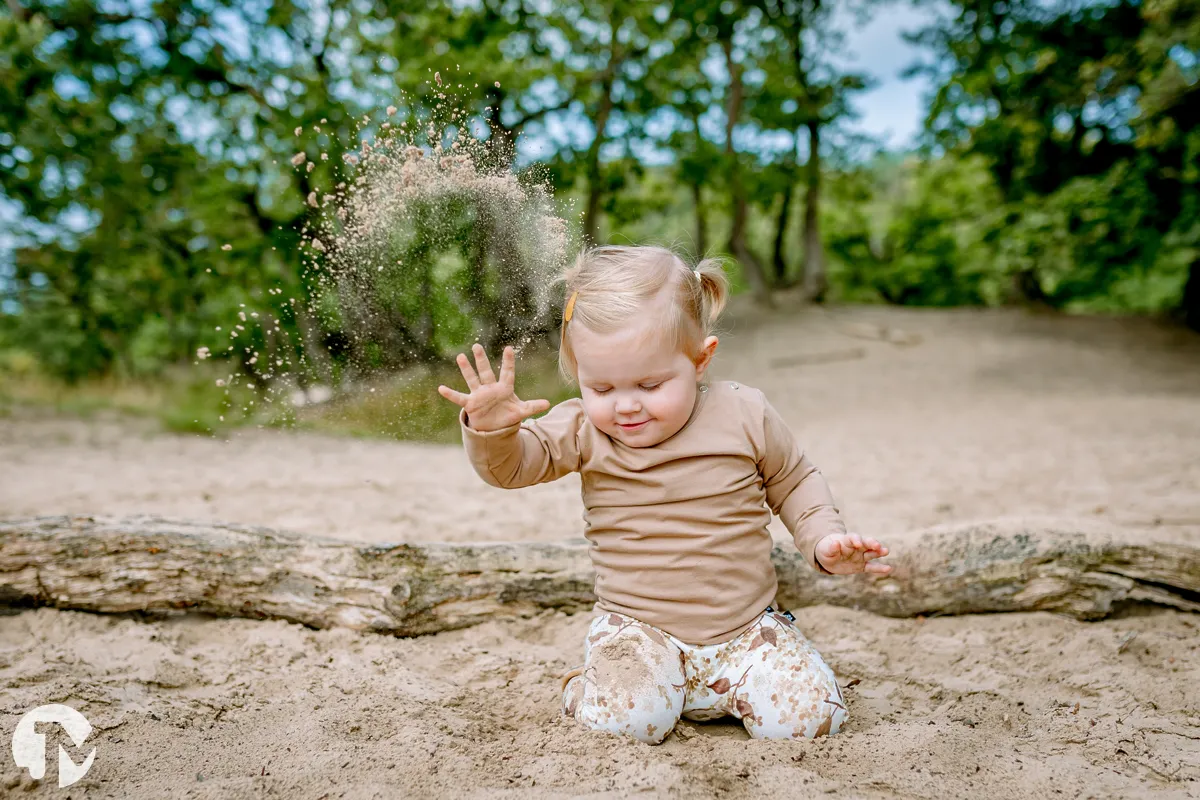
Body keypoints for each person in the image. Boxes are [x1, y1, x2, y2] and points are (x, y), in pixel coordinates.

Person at [437, 245, 891, 744]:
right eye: (602, 387)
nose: (626, 405)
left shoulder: (744, 413)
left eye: (650, 384)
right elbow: (514, 467)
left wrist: (823, 539)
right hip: (638, 635)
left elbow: (796, 480)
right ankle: (589, 687)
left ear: (701, 360)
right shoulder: (583, 427)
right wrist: (492, 431)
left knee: (811, 719)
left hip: (747, 632)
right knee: (629, 721)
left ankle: (734, 687)